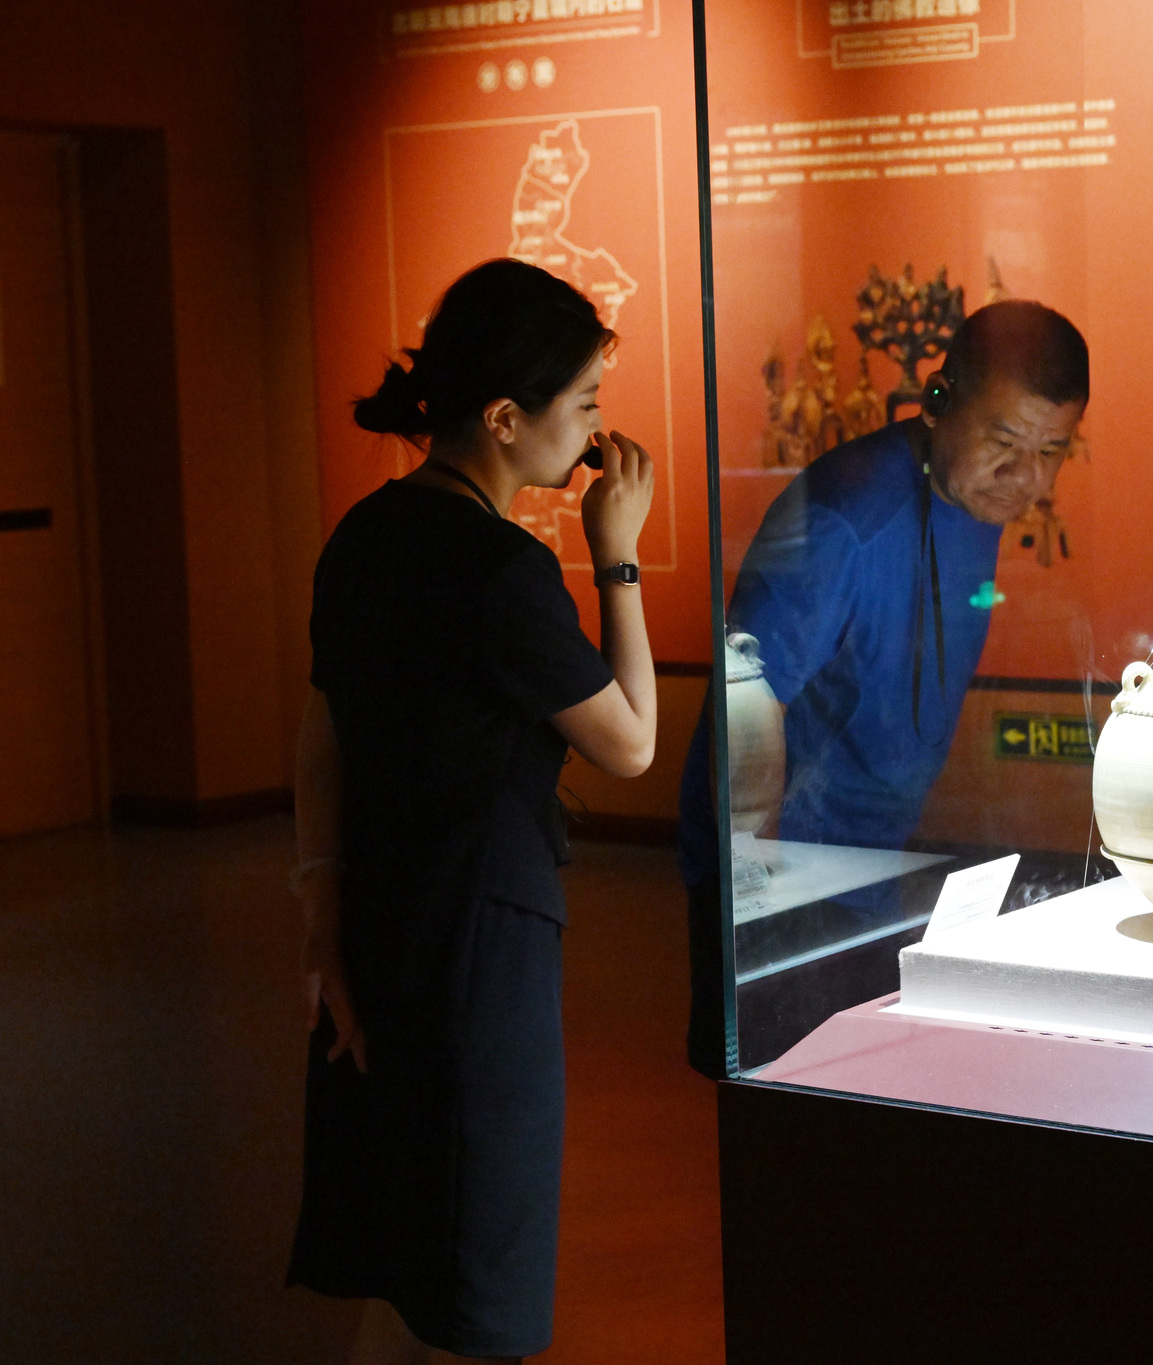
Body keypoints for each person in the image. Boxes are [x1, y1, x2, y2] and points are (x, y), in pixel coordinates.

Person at [286, 258, 658, 1364]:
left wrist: (321, 921)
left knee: (402, 1262)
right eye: (583, 405)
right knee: (476, 1264)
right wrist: (617, 554)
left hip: (380, 921)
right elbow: (633, 743)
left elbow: (321, 738)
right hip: (480, 940)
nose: (596, 433)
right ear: (505, 418)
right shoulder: (497, 571)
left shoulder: (364, 533)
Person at [677, 299, 1089, 1077]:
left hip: (873, 867)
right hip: (781, 879)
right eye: (1003, 441)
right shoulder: (846, 516)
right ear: (938, 403)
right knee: (788, 1103)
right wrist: (753, 891)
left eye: (1050, 450)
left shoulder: (970, 493)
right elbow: (747, 692)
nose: (1025, 476)